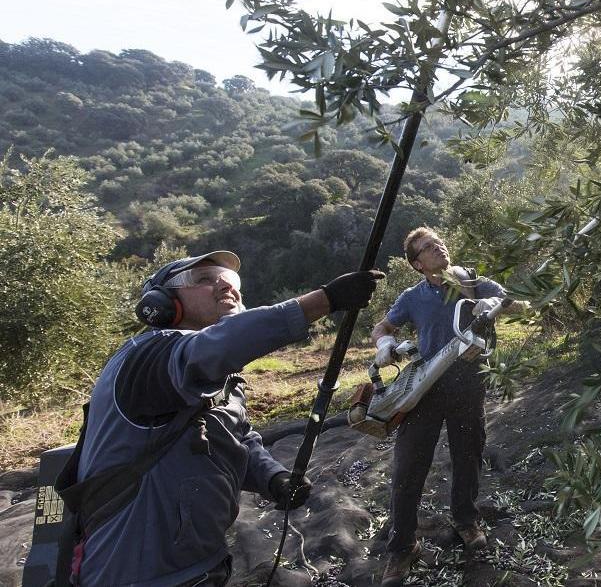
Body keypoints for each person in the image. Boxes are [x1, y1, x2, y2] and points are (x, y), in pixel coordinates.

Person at [58, 250, 383, 587]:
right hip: (135, 571)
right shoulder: (146, 357)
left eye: (233, 283)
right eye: (204, 280)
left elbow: (236, 437)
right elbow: (215, 347)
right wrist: (325, 300)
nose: (226, 287)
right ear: (164, 302)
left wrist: (272, 477)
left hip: (202, 562)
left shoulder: (221, 381)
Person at [371, 227, 506, 585]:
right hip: (425, 388)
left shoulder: (473, 283)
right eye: (428, 248)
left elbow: (515, 300)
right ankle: (402, 545)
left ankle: (465, 519)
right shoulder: (413, 296)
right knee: (409, 466)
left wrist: (496, 304)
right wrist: (385, 343)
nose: (438, 247)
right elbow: (382, 325)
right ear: (418, 264)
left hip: (469, 385)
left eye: (438, 241)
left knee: (468, 455)